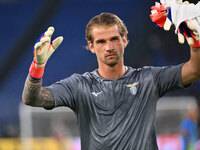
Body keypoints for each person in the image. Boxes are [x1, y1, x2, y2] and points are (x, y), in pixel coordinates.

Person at [22, 12, 200, 150]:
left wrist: (195, 41)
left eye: (114, 39)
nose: (109, 47)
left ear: (124, 40)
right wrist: (38, 65)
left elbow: (194, 69)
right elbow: (32, 98)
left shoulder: (149, 78)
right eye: (100, 42)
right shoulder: (78, 85)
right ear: (91, 46)